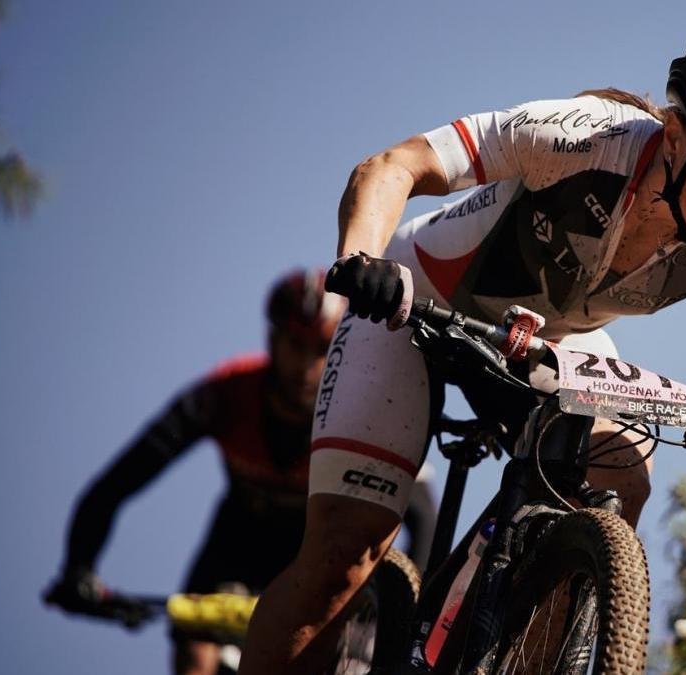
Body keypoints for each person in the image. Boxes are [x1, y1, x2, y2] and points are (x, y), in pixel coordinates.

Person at [240, 30, 686, 674]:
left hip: (546, 340)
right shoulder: (582, 137)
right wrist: (361, 261)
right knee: (343, 557)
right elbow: (394, 166)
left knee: (622, 473)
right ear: (674, 135)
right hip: (411, 307)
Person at [44, 269, 438, 675]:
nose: (305, 364)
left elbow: (423, 515)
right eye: (295, 344)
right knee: (194, 651)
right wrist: (79, 569)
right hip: (237, 542)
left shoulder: (363, 411)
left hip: (318, 548)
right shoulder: (226, 394)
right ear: (272, 339)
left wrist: (406, 615)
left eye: (320, 348)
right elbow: (115, 484)